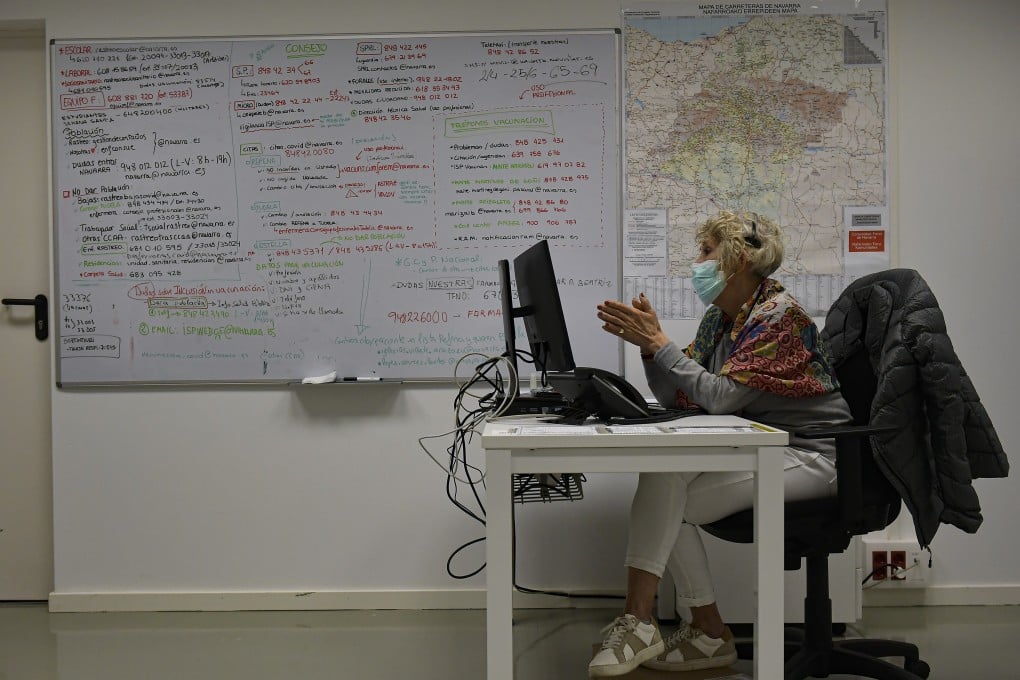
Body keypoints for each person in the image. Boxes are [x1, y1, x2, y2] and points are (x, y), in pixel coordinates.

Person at [588, 210, 852, 677]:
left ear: (737, 259)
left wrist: (659, 342)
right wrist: (652, 350)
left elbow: (722, 397)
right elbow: (685, 392)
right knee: (665, 479)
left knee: (673, 499)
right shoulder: (722, 318)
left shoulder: (779, 318)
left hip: (814, 454)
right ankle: (696, 629)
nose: (699, 261)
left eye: (707, 251)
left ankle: (657, 623)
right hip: (769, 445)